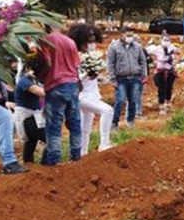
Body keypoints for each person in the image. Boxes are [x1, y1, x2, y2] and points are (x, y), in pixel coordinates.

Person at [71, 24, 114, 156]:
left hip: (93, 94)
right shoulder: (74, 57)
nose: (92, 44)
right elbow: (74, 79)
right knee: (107, 110)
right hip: (81, 96)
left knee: (86, 127)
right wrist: (86, 75)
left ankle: (82, 153)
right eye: (89, 41)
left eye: (94, 41)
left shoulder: (92, 57)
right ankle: (104, 143)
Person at [42, 27, 83, 165]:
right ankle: (76, 156)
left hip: (55, 84)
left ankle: (54, 161)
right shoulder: (70, 42)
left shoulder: (46, 40)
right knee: (75, 122)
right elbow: (76, 65)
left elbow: (47, 63)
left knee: (54, 125)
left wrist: (41, 76)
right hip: (72, 84)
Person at [107, 27, 147, 130]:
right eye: (128, 35)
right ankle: (114, 123)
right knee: (120, 100)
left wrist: (144, 75)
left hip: (135, 78)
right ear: (122, 35)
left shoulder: (137, 47)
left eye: (131, 35)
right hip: (121, 78)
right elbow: (110, 63)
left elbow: (142, 61)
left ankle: (130, 121)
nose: (130, 37)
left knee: (133, 100)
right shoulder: (114, 47)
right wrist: (112, 79)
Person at [14, 67, 46, 164]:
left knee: (31, 141)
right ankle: (45, 164)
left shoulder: (33, 81)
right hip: (27, 117)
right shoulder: (24, 81)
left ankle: (29, 166)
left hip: (33, 117)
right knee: (51, 139)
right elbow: (40, 92)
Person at [148, 35, 180, 115]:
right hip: (160, 71)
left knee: (169, 87)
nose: (166, 41)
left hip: (170, 71)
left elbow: (179, 53)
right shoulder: (156, 49)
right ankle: (161, 106)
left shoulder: (172, 48)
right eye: (164, 40)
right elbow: (146, 52)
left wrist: (176, 61)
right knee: (161, 88)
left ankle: (168, 104)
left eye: (167, 40)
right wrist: (153, 61)